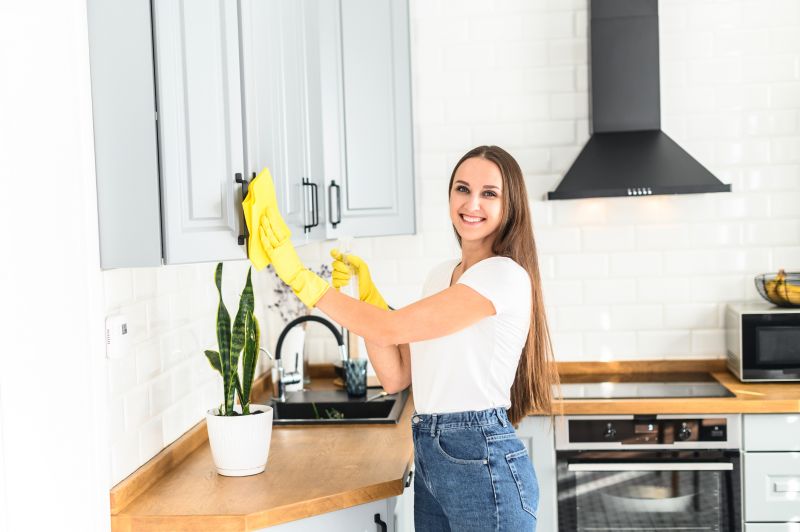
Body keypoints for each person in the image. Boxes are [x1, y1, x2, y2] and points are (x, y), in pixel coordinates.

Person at [251, 145, 559, 531]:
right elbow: (397, 374)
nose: (472, 203)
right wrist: (366, 299)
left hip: (483, 462)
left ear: (509, 205)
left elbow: (389, 328)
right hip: (432, 456)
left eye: (489, 193)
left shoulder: (504, 275)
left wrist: (300, 277)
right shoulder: (442, 275)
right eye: (462, 189)